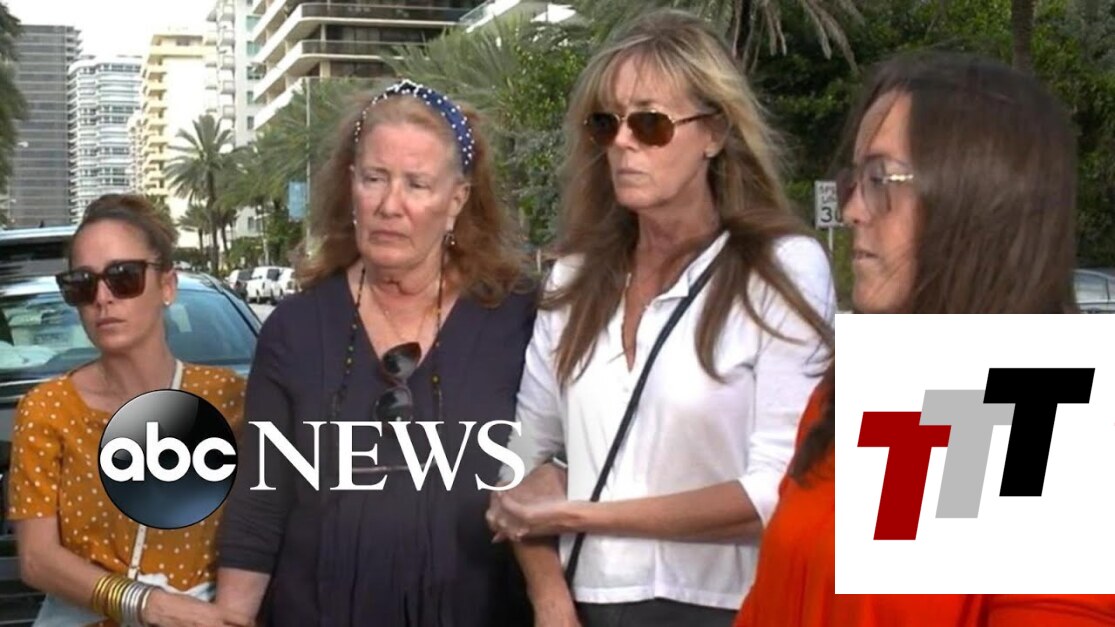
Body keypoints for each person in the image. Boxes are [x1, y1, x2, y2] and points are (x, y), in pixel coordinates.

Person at [733, 51, 1115, 626]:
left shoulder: (1045, 422)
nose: (853, 209)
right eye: (855, 180)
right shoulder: (850, 393)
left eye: (881, 180)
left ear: (977, 201)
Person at [485, 9, 835, 627]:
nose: (623, 142)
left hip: (730, 607)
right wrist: (549, 599)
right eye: (606, 123)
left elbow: (777, 489)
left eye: (650, 123)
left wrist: (577, 513)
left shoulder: (781, 269)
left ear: (714, 133)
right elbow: (518, 463)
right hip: (587, 603)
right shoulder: (572, 280)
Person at [214, 80, 536, 626]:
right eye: (374, 178)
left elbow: (553, 478)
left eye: (417, 184)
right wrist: (231, 616)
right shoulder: (294, 330)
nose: (390, 205)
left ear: (456, 201)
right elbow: (260, 505)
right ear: (351, 186)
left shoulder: (518, 320)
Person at [7, 193, 249, 627]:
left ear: (167, 286)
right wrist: (148, 605)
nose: (103, 297)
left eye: (124, 277)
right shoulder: (47, 410)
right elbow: (37, 558)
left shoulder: (230, 399)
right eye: (82, 284)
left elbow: (273, 530)